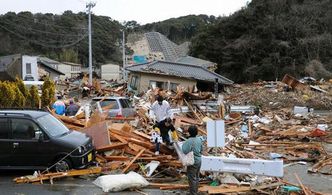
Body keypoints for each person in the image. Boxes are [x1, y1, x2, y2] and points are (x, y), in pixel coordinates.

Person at [182, 125, 203, 195]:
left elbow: (184, 150)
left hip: (192, 160)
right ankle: (195, 191)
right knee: (197, 176)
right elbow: (201, 150)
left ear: (189, 132)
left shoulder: (189, 141)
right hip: (199, 160)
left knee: (192, 178)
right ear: (197, 132)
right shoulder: (199, 139)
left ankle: (193, 193)